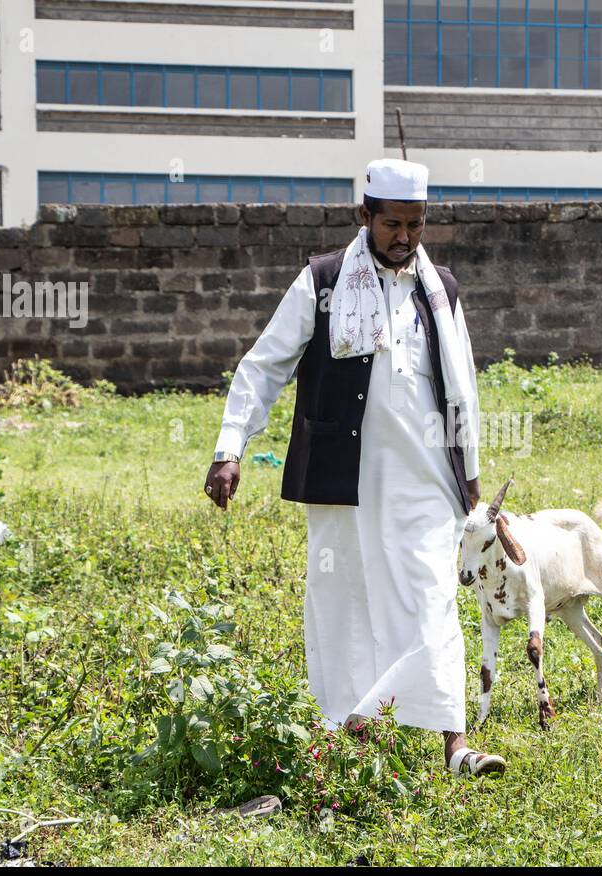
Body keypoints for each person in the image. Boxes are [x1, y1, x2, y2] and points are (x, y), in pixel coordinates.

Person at [203, 158, 506, 778]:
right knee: (346, 603)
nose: (405, 237)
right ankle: (346, 736)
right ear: (365, 216)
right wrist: (230, 448)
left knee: (432, 600)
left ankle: (455, 744)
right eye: (393, 224)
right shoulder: (323, 282)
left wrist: (472, 482)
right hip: (344, 478)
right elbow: (264, 366)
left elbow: (463, 391)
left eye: (416, 226)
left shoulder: (439, 289)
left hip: (424, 483)